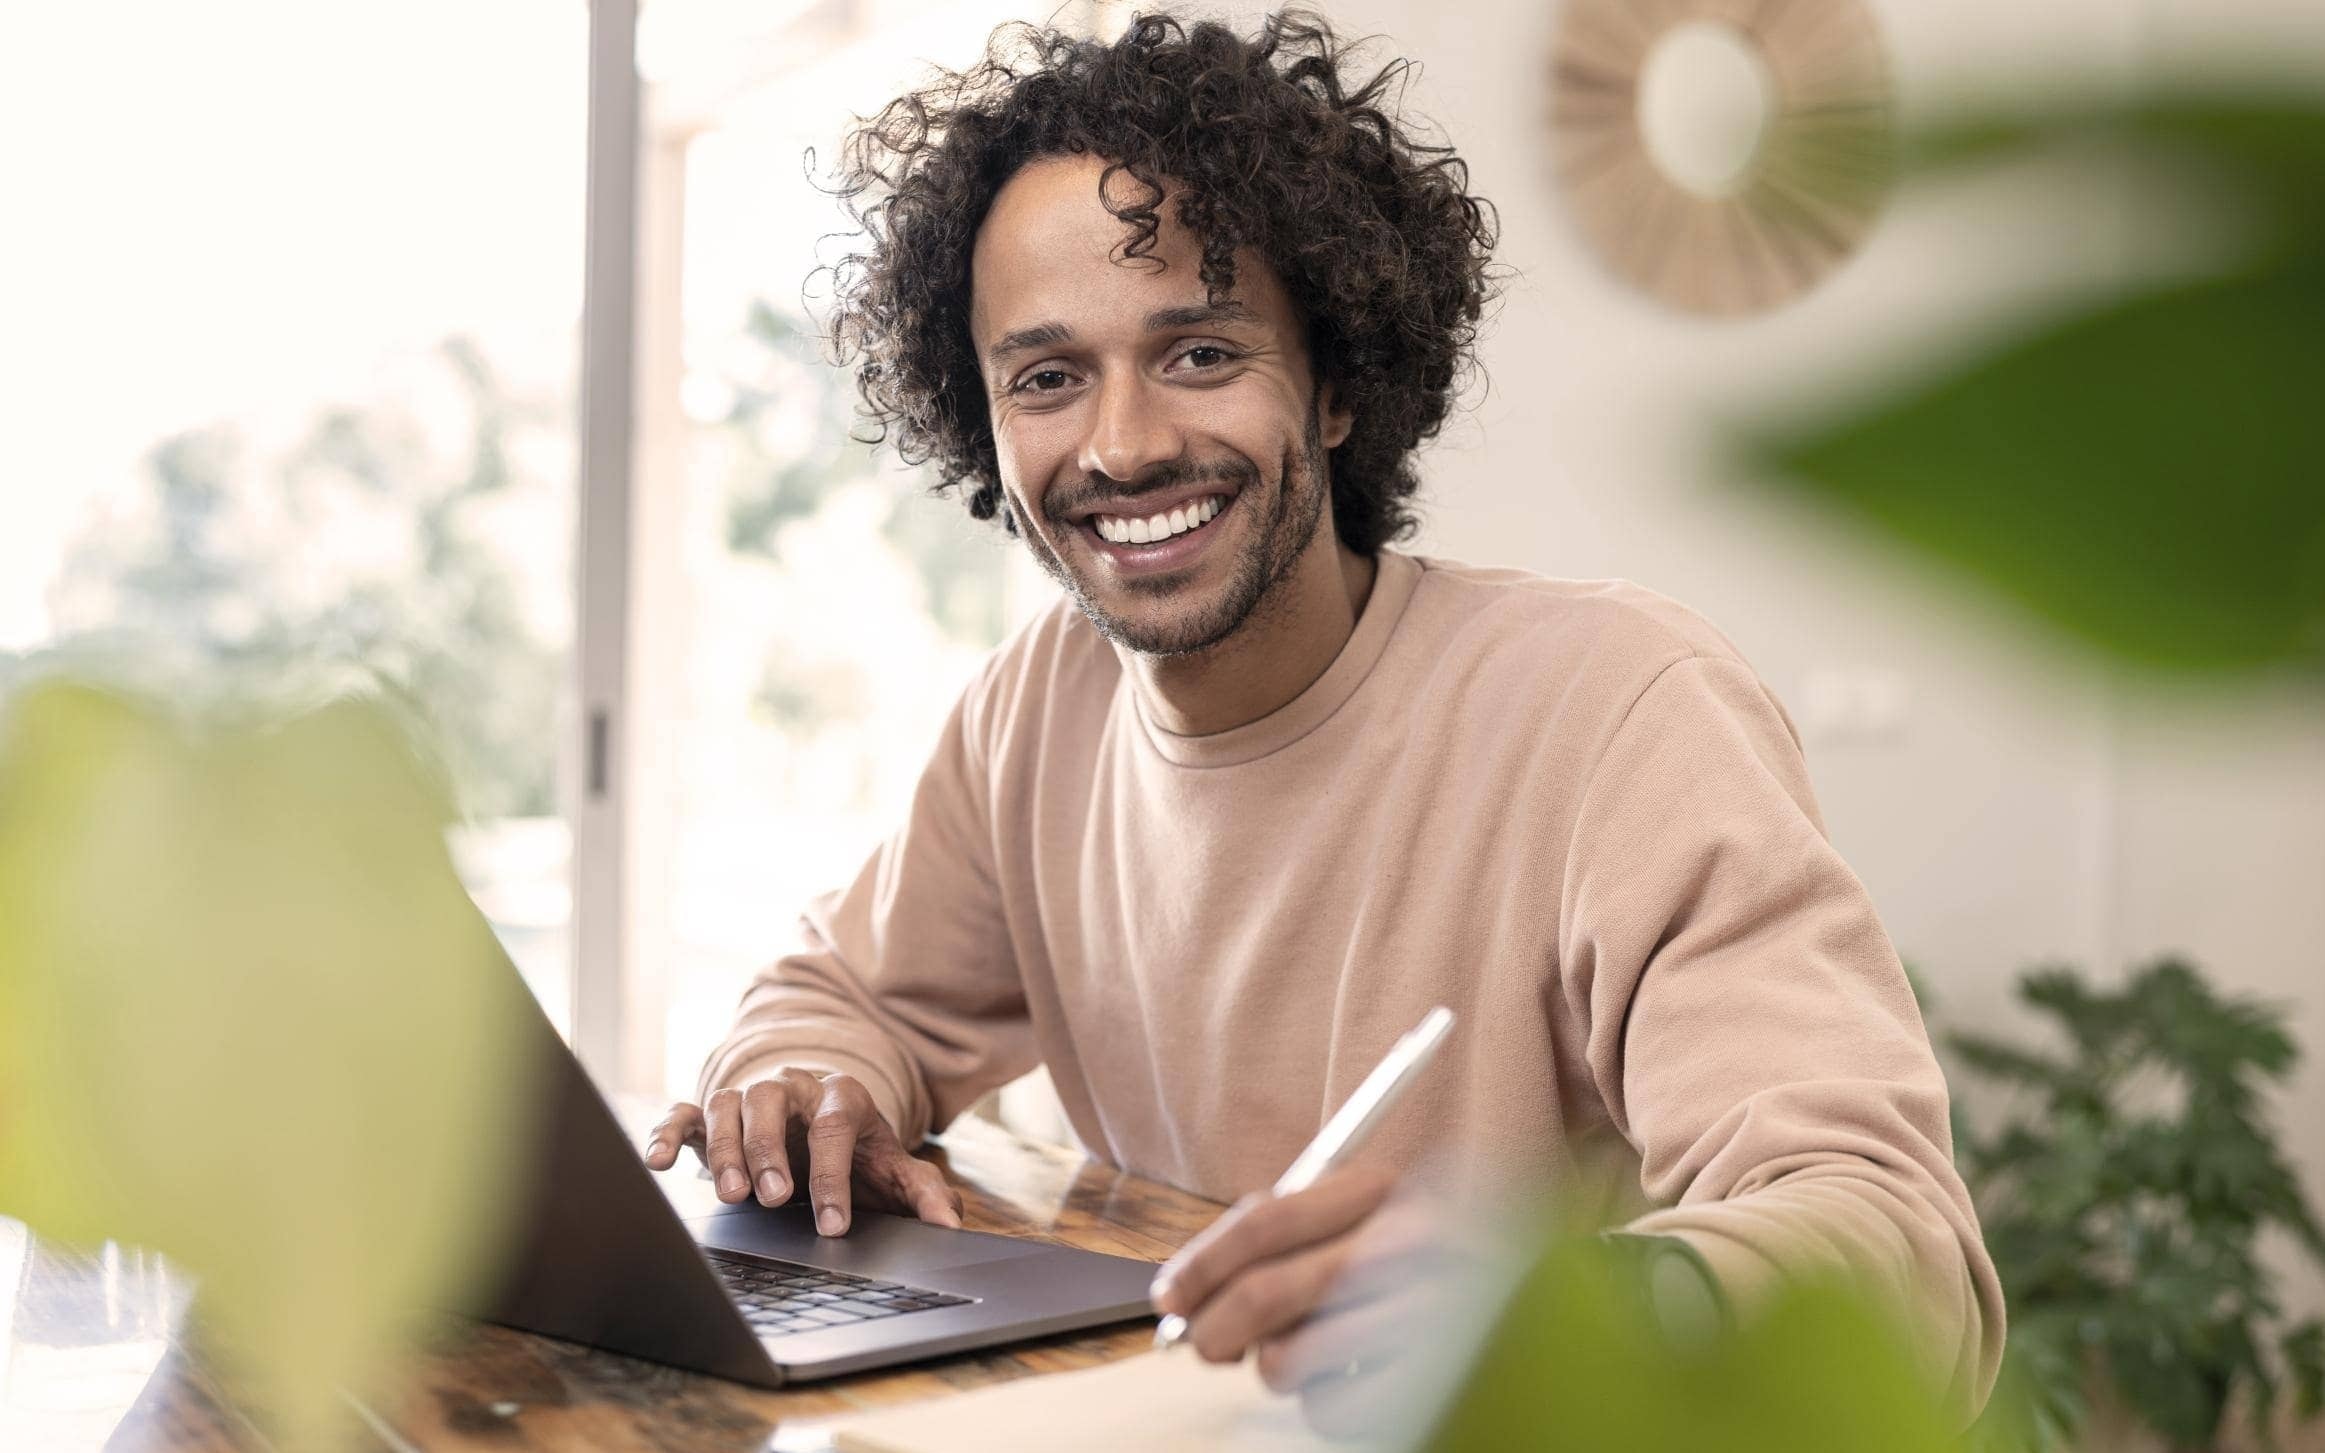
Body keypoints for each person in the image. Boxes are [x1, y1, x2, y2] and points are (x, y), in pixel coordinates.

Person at [642, 7, 2004, 1428]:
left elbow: (1897, 1254)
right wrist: (805, 1086)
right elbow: (842, 997)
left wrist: (1564, 1300)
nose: (1121, 444)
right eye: (1046, 378)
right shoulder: (1035, 710)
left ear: (1339, 379)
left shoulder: (1620, 707)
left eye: (1200, 353)